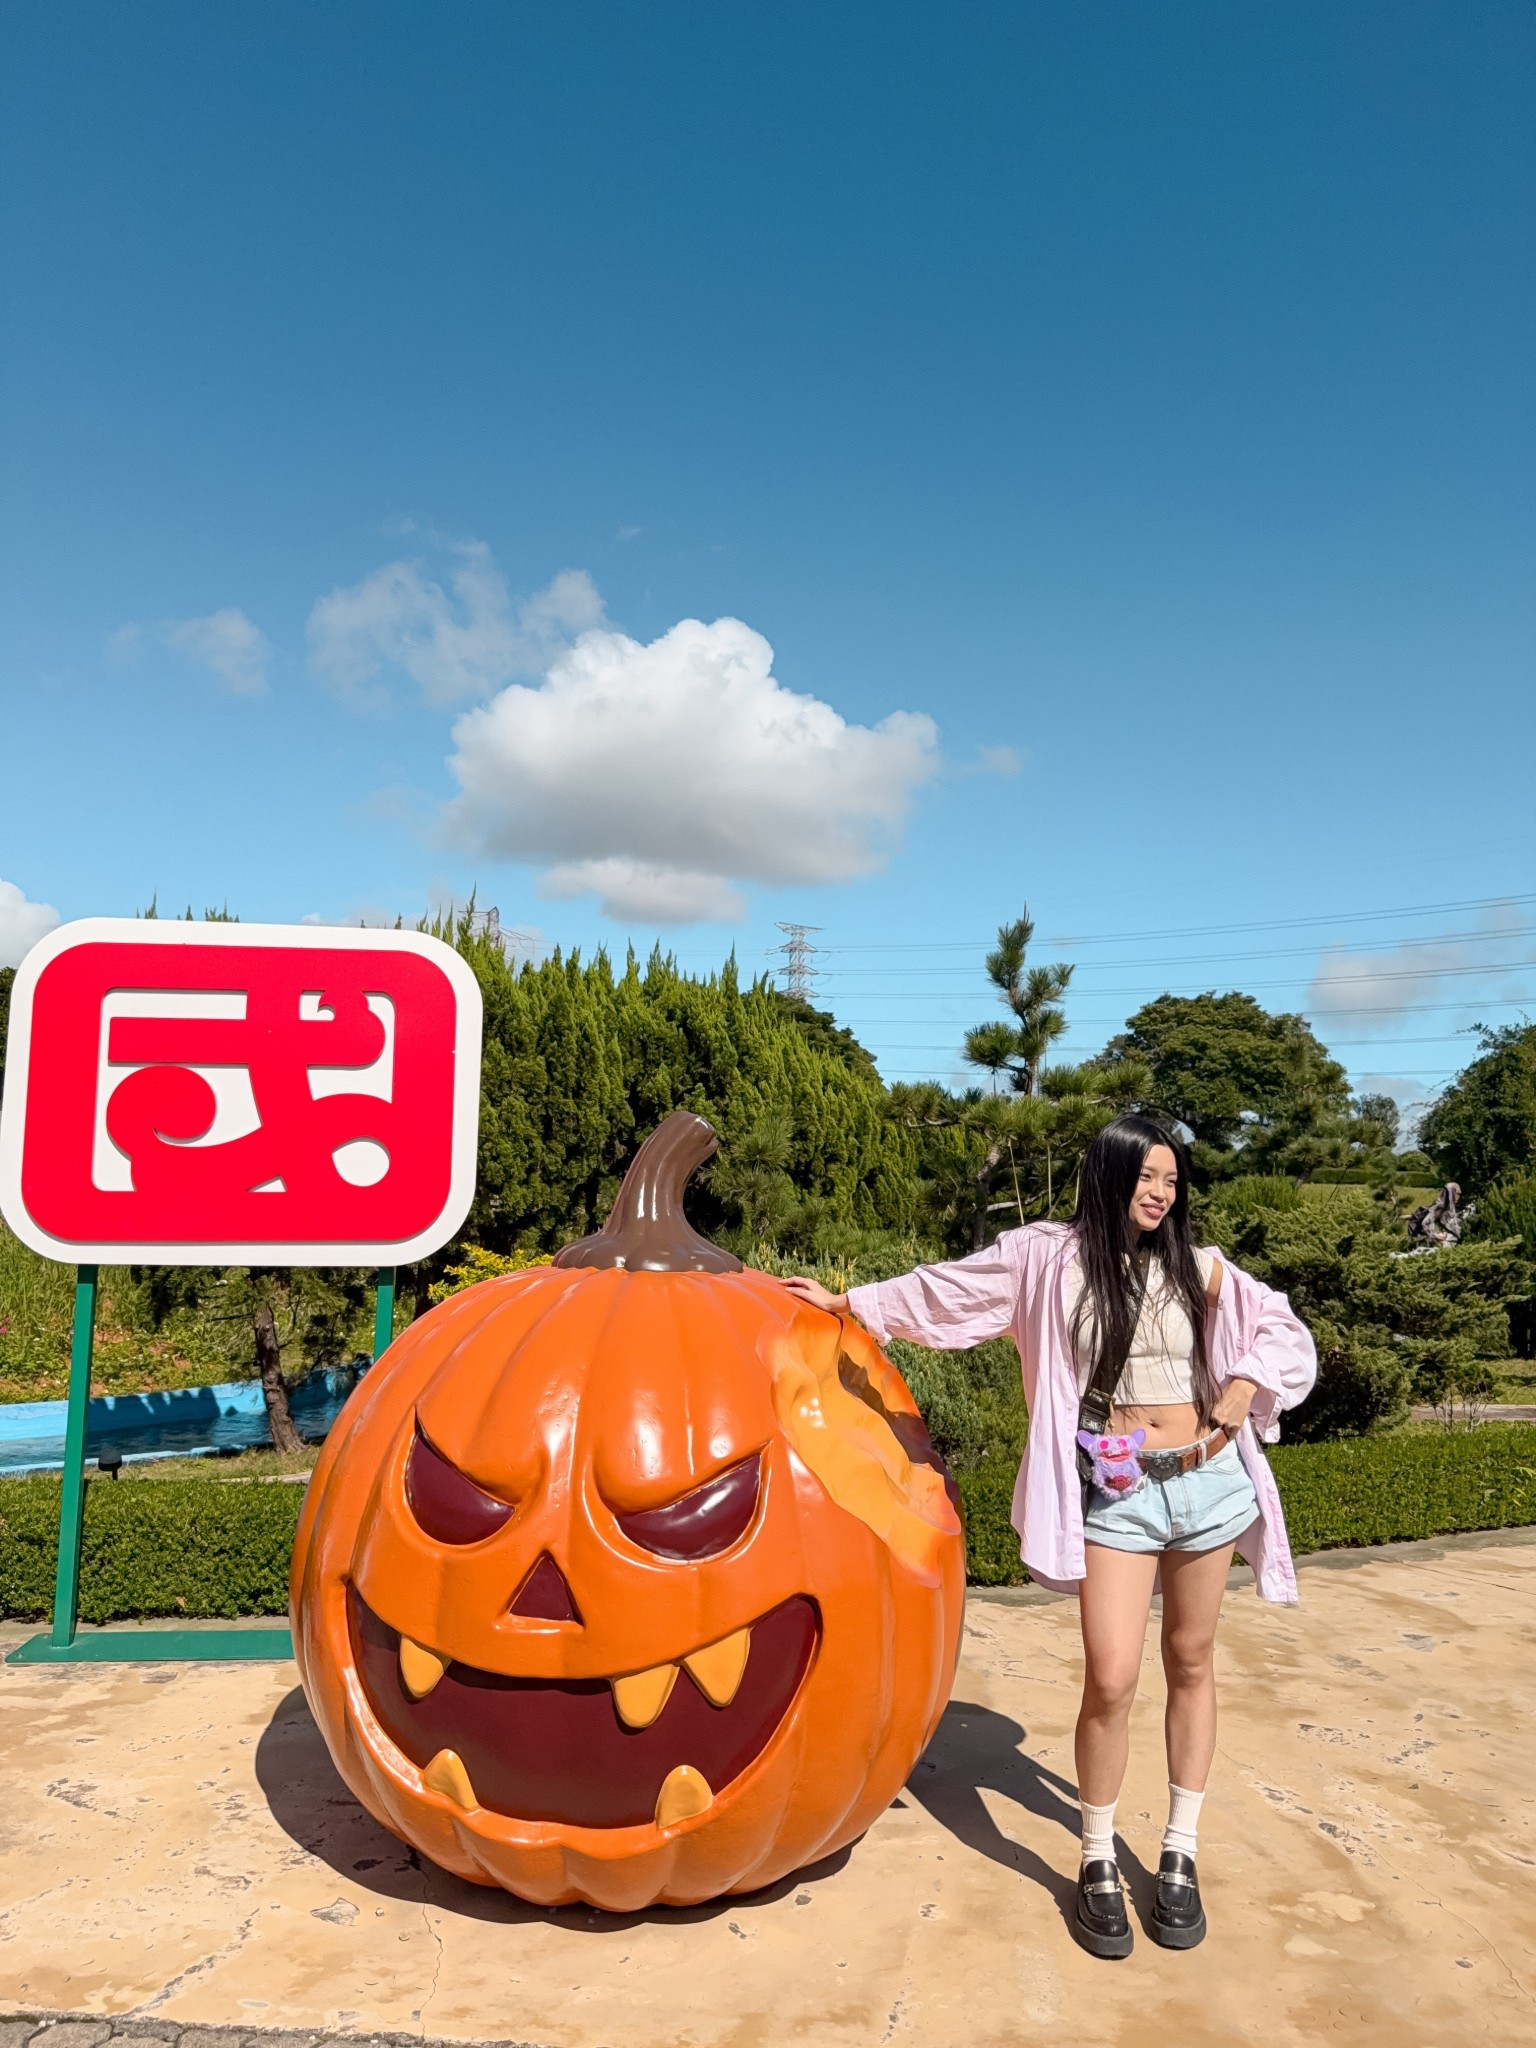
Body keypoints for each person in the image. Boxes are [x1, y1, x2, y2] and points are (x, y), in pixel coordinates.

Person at [780, 1113, 1316, 1959]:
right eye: (1146, 1176)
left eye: (1172, 1181)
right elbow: (950, 1290)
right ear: (1108, 1173)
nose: (1160, 1194)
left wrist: (1248, 1379)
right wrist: (851, 1303)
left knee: (1190, 1660)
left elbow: (1283, 1328)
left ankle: (1179, 1851)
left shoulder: (1198, 1265)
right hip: (1117, 1493)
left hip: (1208, 1481)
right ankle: (1097, 1856)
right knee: (1112, 1676)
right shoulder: (1047, 1257)